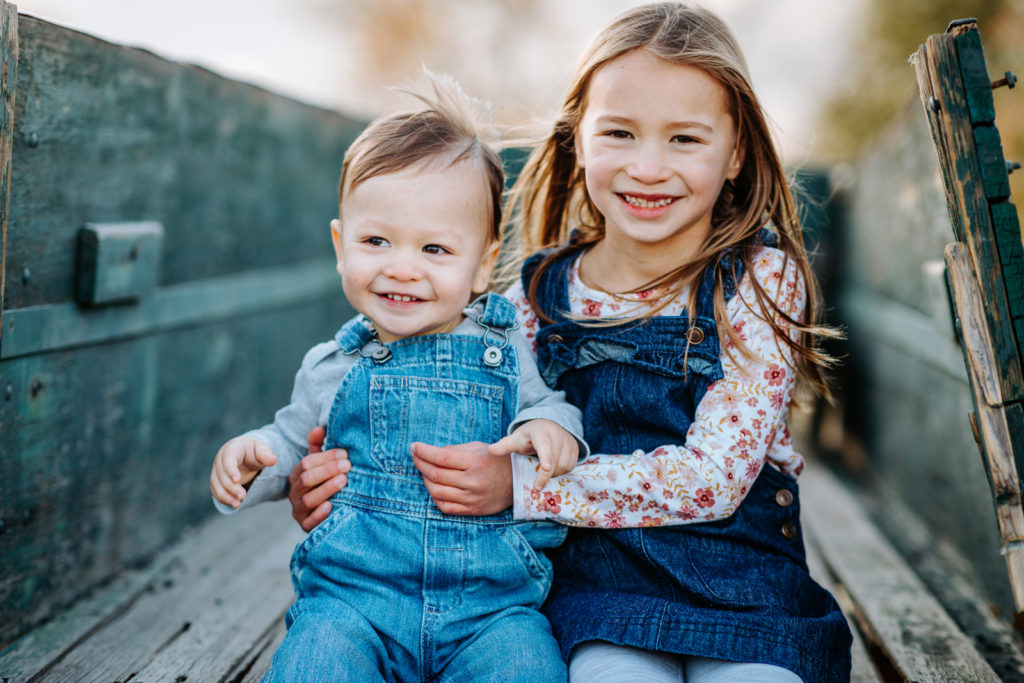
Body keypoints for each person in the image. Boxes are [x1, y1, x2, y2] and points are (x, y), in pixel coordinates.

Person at [292, 4, 854, 681]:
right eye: (619, 132)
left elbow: (714, 479)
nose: (649, 167)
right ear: (578, 141)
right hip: (597, 589)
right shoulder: (535, 298)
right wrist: (337, 485)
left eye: (685, 140)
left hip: (743, 585)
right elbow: (463, 428)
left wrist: (523, 486)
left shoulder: (759, 281)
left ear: (736, 153)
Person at [209, 76, 587, 682]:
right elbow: (288, 442)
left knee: (526, 666)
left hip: (490, 610)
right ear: (341, 245)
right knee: (315, 662)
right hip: (355, 603)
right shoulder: (332, 364)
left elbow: (551, 405)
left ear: (484, 262)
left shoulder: (504, 348)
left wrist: (549, 427)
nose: (401, 267)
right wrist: (254, 461)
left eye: (435, 249)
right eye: (376, 240)